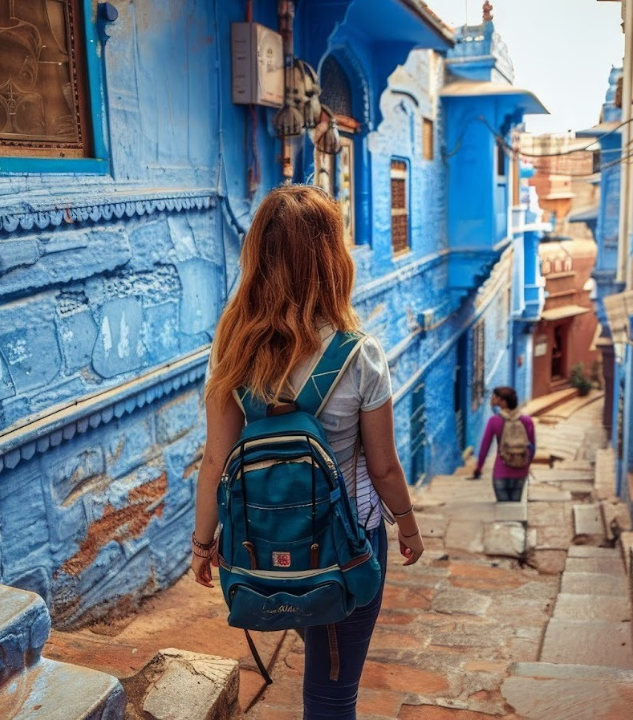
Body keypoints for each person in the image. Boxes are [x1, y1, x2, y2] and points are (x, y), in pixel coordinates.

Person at [190, 185, 424, 719]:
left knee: (314, 648)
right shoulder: (361, 355)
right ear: (331, 260)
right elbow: (384, 467)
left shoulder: (233, 351)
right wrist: (409, 530)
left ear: (259, 257)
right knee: (332, 691)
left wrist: (204, 547)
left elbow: (215, 461)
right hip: (347, 546)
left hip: (261, 545)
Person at [471, 386, 535, 501]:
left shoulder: (494, 421)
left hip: (501, 472)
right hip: (520, 472)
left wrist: (479, 468)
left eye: (496, 397)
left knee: (503, 512)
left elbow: (485, 447)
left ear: (503, 402)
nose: (493, 398)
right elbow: (532, 447)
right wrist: (525, 464)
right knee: (516, 510)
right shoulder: (526, 420)